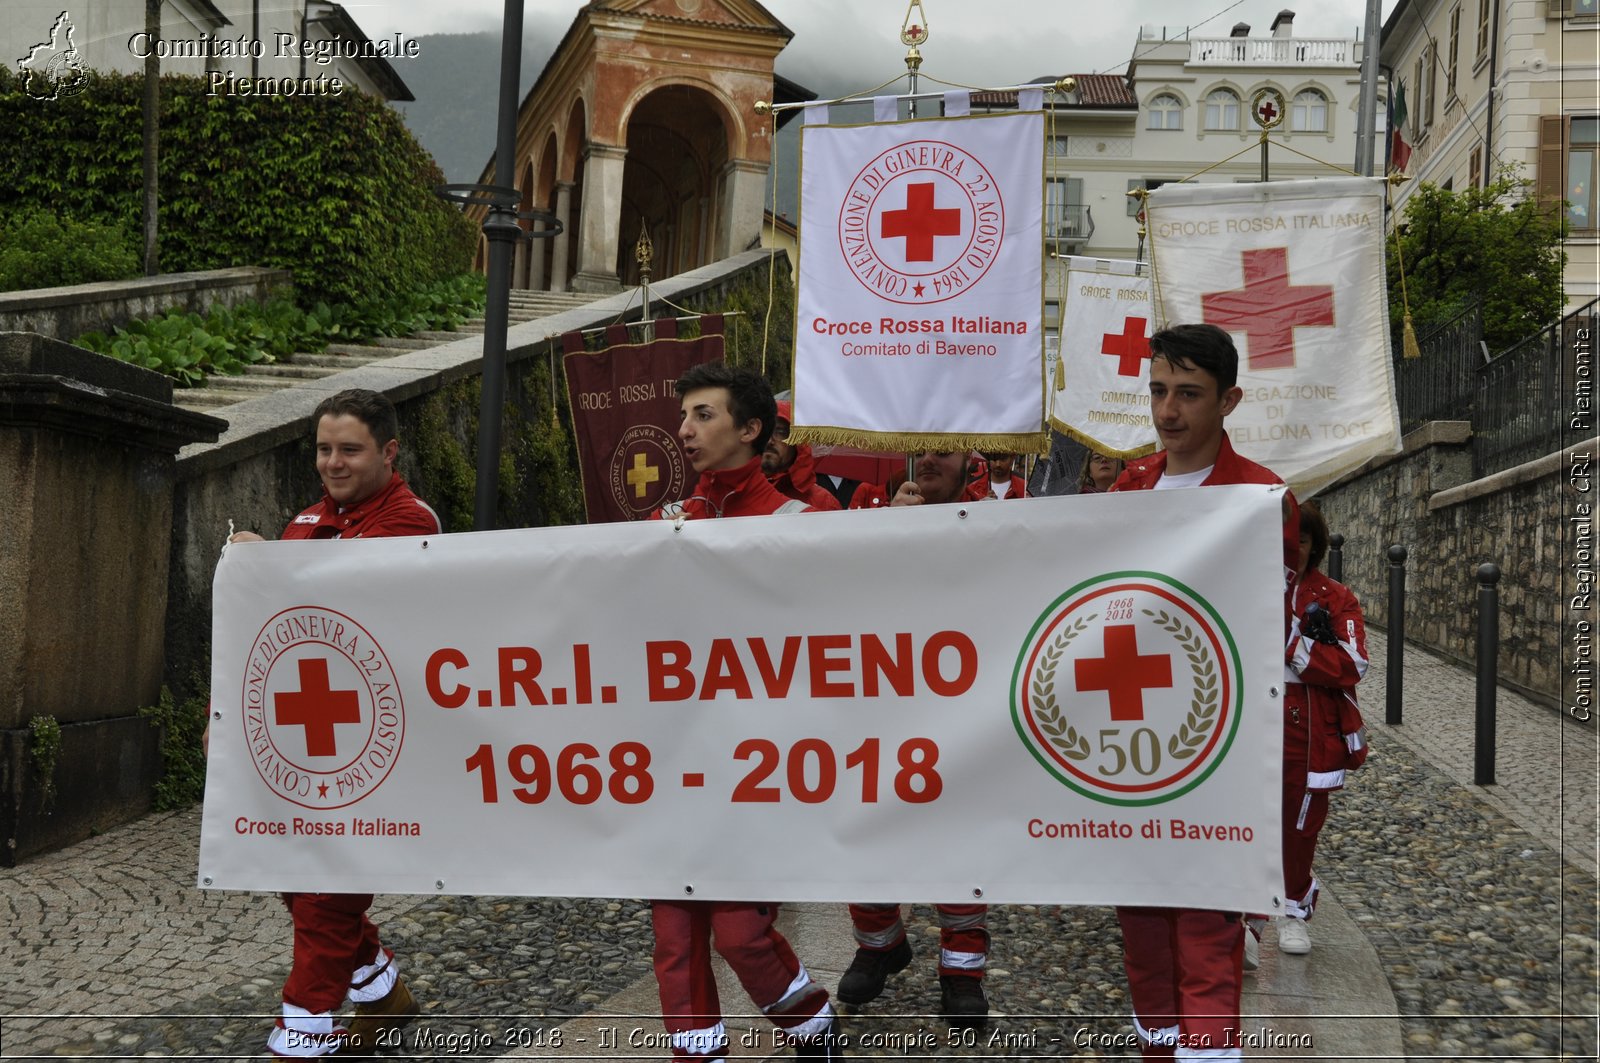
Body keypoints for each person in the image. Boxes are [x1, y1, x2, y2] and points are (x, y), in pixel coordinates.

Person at [222, 388, 437, 1057]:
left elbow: (360, 599)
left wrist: (272, 567)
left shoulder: (412, 521)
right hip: (306, 747)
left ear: (388, 451)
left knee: (325, 895)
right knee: (293, 869)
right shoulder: (304, 522)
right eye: (323, 449)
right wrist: (223, 715)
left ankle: (301, 1035)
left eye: (350, 449)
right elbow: (266, 634)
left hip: (381, 752)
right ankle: (379, 988)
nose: (333, 463)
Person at [1109, 323, 1299, 1062]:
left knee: (1208, 932)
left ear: (1230, 400)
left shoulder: (1259, 498)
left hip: (1217, 748)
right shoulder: (1127, 487)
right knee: (1143, 929)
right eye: (1158, 391)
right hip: (1127, 739)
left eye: (1188, 394)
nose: (1167, 411)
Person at [651, 362, 844, 1060]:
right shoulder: (664, 525)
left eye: (703, 414)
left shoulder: (805, 524)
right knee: (673, 940)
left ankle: (814, 1027)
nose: (684, 430)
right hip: (677, 765)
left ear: (751, 428)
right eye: (684, 415)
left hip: (765, 768)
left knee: (739, 933)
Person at [837, 449, 991, 1028]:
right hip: (878, 702)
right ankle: (879, 944)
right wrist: (882, 533)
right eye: (919, 446)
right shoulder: (870, 508)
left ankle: (963, 971)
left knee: (957, 834)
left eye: (943, 449)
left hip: (959, 706)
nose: (928, 458)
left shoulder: (992, 521)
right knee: (869, 821)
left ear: (968, 460)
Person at [1274, 500, 1369, 956]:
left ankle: (1294, 909)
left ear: (1314, 546)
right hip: (1250, 716)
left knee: (1300, 821)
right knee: (1246, 816)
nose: (1292, 549)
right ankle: (1247, 919)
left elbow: (1353, 662)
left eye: (1302, 540)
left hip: (1307, 723)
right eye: (1286, 540)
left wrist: (1294, 642)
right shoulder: (1243, 585)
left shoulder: (1336, 597)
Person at [763, 400, 842, 511]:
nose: (769, 441)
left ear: (798, 443)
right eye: (764, 431)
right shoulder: (735, 495)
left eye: (780, 431)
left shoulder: (822, 503)